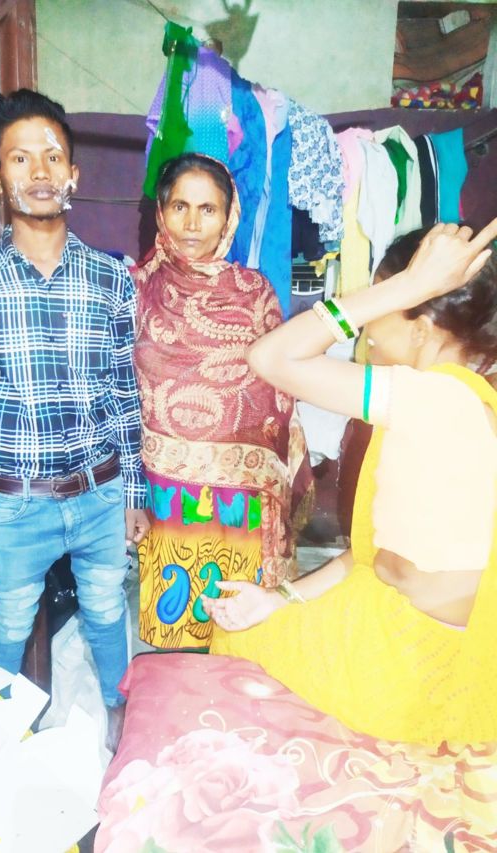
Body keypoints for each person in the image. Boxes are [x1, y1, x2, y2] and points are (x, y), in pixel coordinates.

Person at [204, 220, 497, 744]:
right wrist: (280, 597)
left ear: (421, 329)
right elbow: (373, 558)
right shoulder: (456, 396)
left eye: (381, 300)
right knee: (256, 626)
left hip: (411, 661)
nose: (365, 327)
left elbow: (270, 357)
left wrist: (411, 284)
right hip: (403, 626)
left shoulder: (433, 399)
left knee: (235, 650)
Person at [0, 89, 149, 738]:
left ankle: (120, 722)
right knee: (8, 625)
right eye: (20, 158)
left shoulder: (112, 280)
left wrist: (133, 494)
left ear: (73, 173)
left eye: (53, 157)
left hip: (100, 495)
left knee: (107, 612)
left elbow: (123, 393)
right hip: (16, 505)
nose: (40, 171)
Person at [134, 153, 313, 649]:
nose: (192, 224)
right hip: (169, 493)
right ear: (161, 212)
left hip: (243, 496)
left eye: (207, 209)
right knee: (177, 623)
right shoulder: (139, 289)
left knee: (241, 623)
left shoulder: (254, 292)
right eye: (180, 207)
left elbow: (279, 388)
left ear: (228, 216)